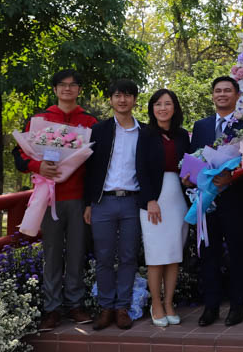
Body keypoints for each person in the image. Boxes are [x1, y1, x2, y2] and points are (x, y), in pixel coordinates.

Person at [12, 69, 98, 331]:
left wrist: (90, 201)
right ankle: (52, 308)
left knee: (76, 252)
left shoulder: (90, 123)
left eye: (73, 85)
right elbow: (20, 155)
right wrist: (37, 166)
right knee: (51, 252)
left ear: (79, 89)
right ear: (55, 89)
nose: (67, 89)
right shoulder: (40, 120)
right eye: (62, 84)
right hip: (48, 197)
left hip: (78, 197)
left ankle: (75, 304)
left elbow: (97, 163)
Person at [189, 76, 243, 327]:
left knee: (237, 252)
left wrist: (232, 177)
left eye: (227, 90)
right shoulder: (201, 125)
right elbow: (194, 158)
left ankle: (238, 305)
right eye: (218, 91)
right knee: (209, 253)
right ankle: (211, 305)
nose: (222, 94)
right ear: (213, 95)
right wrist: (192, 177)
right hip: (207, 199)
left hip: (234, 198)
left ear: (237, 95)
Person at [83, 79, 143, 331]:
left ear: (134, 100)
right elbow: (88, 169)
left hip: (132, 202)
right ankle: (106, 307)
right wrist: (88, 203)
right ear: (110, 100)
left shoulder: (144, 132)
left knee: (129, 256)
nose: (122, 100)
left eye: (127, 95)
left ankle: (122, 307)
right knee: (104, 257)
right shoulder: (98, 130)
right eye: (117, 95)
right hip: (103, 202)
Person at [136, 89, 190, 327]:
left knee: (173, 254)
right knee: (156, 255)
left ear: (174, 107)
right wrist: (150, 200)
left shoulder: (182, 135)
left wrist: (190, 179)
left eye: (167, 104)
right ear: (152, 108)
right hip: (154, 200)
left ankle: (169, 303)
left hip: (178, 198)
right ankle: (156, 303)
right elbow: (140, 168)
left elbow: (189, 164)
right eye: (158, 104)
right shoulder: (145, 134)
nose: (163, 108)